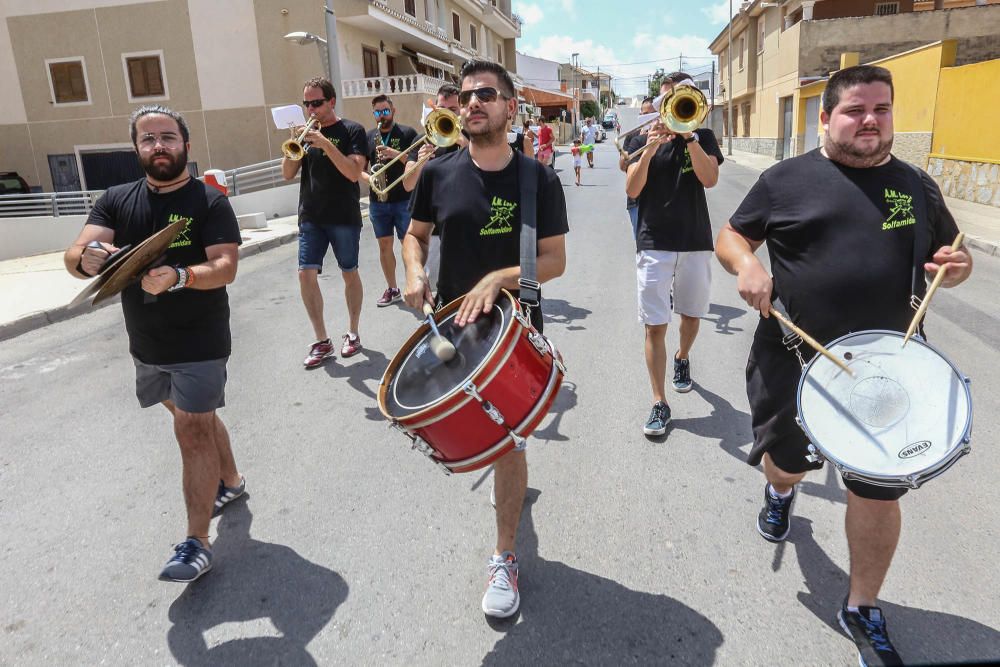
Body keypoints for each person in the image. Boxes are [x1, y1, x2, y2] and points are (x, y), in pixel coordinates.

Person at [715, 65, 972, 667]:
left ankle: (861, 606)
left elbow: (953, 256)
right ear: (826, 118)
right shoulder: (785, 180)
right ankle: (780, 493)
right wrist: (746, 266)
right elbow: (730, 235)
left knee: (879, 494)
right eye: (856, 110)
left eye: (881, 109)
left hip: (891, 370)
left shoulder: (917, 186)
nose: (870, 121)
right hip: (794, 360)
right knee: (784, 466)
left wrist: (955, 270)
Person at [402, 59, 568, 619]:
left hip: (513, 329)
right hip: (453, 327)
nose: (474, 104)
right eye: (468, 96)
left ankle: (504, 555)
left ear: (509, 107)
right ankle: (510, 504)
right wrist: (413, 271)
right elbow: (414, 237)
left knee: (507, 440)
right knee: (479, 436)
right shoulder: (437, 174)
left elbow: (554, 261)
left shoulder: (536, 177)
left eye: (487, 95)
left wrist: (499, 278)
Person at [63, 105, 244, 583]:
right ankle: (231, 481)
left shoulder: (209, 202)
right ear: (136, 149)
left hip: (201, 340)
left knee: (191, 428)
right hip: (146, 343)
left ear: (185, 142)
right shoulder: (115, 200)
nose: (158, 145)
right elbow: (76, 252)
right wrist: (86, 258)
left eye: (167, 136)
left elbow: (226, 266)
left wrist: (181, 276)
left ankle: (197, 542)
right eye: (148, 139)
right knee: (192, 417)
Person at [625, 72, 724, 437]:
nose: (675, 105)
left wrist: (690, 138)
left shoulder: (704, 136)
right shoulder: (641, 138)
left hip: (694, 238)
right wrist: (650, 149)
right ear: (661, 101)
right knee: (654, 323)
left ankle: (682, 357)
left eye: (683, 98)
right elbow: (632, 189)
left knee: (692, 315)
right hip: (653, 240)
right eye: (671, 98)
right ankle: (658, 401)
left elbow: (709, 179)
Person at [282, 77, 368, 369]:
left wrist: (326, 144)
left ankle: (353, 331)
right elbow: (287, 173)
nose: (311, 110)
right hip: (311, 215)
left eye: (316, 103)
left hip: (343, 215)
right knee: (305, 274)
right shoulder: (307, 133)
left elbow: (354, 173)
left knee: (349, 272)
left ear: (331, 101)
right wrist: (294, 145)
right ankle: (322, 340)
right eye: (307, 104)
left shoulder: (352, 130)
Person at [402, 84, 468, 289]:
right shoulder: (423, 140)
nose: (446, 113)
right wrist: (420, 163)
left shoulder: (474, 138)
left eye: (453, 109)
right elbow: (407, 184)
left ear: (462, 110)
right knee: (438, 293)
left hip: (469, 227)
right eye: (441, 108)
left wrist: (464, 143)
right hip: (433, 230)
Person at [360, 94, 418, 307]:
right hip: (378, 201)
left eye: (385, 111)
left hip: (403, 198)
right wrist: (371, 180)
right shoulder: (369, 136)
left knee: (408, 244)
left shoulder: (407, 133)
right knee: (384, 245)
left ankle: (415, 284)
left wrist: (395, 153)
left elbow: (415, 162)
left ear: (393, 111)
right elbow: (360, 170)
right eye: (377, 112)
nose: (381, 116)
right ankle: (392, 288)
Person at [618, 97, 656, 239]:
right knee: (641, 241)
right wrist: (640, 143)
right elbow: (622, 166)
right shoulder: (633, 136)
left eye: (652, 114)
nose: (648, 118)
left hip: (657, 198)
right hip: (636, 200)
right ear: (640, 115)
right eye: (645, 114)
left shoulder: (663, 136)